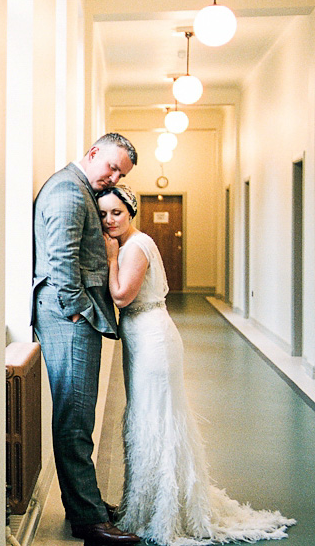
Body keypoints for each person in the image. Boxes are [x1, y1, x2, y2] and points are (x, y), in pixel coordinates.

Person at [99, 184, 296, 546]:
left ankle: (164, 508)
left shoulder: (136, 246)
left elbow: (122, 295)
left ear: (131, 212)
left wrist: (111, 258)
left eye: (116, 213)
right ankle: (141, 504)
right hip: (142, 336)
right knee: (144, 417)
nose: (109, 220)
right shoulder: (130, 243)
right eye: (103, 214)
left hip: (153, 338)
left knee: (156, 418)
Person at [32, 133, 141, 545]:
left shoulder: (79, 187)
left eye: (121, 174)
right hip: (68, 317)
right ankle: (87, 521)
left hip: (75, 315)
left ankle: (89, 506)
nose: (113, 177)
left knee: (80, 415)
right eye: (111, 166)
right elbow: (61, 259)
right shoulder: (67, 190)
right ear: (93, 153)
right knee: (75, 419)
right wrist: (77, 309)